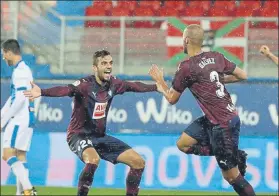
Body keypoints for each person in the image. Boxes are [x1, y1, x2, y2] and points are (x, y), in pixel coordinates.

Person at [23, 50, 158, 196]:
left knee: (138, 162)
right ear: (95, 68)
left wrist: (156, 87)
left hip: (99, 137)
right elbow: (65, 89)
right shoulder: (84, 85)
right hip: (78, 135)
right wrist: (42, 92)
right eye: (104, 63)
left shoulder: (114, 83)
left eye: (110, 63)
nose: (108, 66)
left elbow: (134, 86)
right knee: (93, 159)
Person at [149, 24, 255, 196]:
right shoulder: (216, 57)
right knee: (182, 144)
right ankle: (232, 153)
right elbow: (243, 75)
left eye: (182, 40)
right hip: (222, 117)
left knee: (232, 177)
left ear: (187, 40)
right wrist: (213, 81)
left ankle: (231, 155)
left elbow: (171, 99)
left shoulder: (186, 67)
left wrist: (160, 81)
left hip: (222, 124)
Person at [1, 39, 37, 196]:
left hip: (19, 118)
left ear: (9, 52)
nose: (3, 58)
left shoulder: (20, 72)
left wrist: (3, 120)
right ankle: (20, 193)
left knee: (7, 154)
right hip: (27, 117)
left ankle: (29, 190)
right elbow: (15, 97)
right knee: (20, 156)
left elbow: (19, 99)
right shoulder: (24, 70)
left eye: (3, 54)